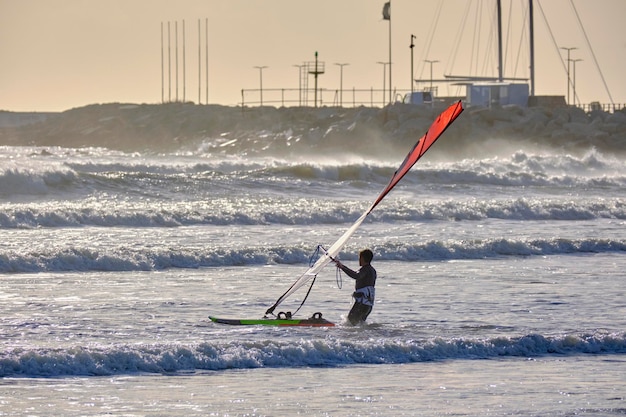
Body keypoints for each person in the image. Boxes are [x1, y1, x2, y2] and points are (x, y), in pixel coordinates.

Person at [333, 249, 377, 325]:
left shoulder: (365, 269)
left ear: (363, 258)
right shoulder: (373, 271)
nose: (359, 260)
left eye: (360, 258)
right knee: (359, 324)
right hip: (368, 305)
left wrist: (342, 267)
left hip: (361, 304)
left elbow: (356, 275)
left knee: (350, 323)